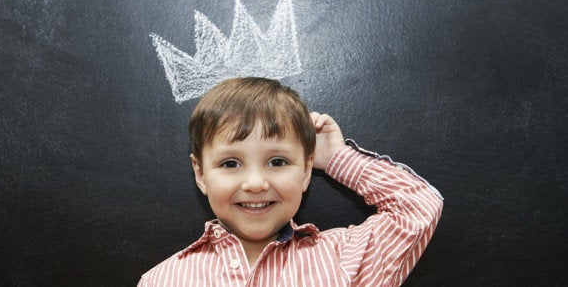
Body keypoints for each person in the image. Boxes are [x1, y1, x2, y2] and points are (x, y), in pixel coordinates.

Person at [138, 77, 443, 286]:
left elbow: (417, 208)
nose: (255, 183)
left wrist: (336, 158)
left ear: (306, 171)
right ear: (201, 174)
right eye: (230, 163)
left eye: (277, 161)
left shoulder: (343, 260)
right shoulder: (162, 280)